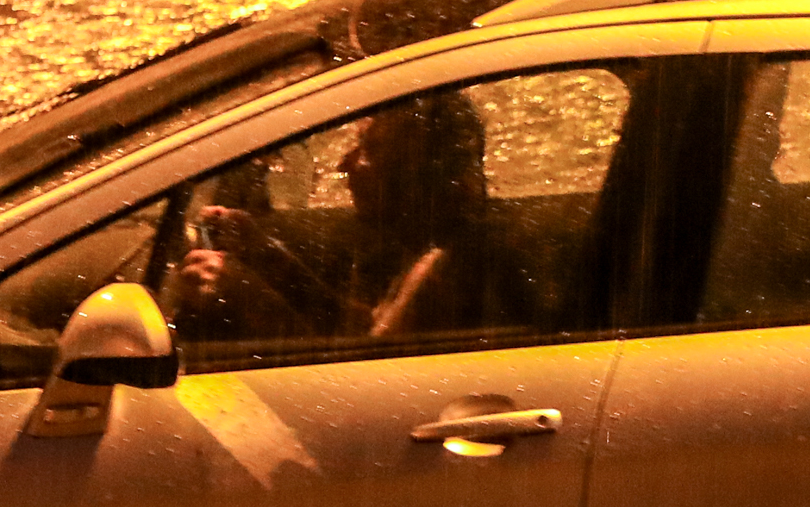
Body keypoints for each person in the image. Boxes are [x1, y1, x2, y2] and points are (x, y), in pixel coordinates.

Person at [165, 89, 538, 351]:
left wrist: (247, 294)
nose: (344, 164)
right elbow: (365, 331)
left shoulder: (450, 273)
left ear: (415, 175)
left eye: (369, 152)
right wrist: (265, 253)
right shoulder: (433, 246)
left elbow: (363, 372)